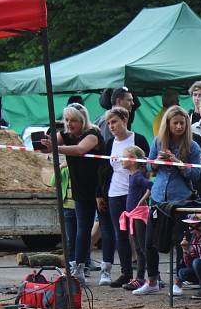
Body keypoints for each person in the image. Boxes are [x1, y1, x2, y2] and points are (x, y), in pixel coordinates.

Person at [132, 106, 201, 295]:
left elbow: (196, 174)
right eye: (175, 123)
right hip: (158, 197)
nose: (179, 126)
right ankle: (152, 280)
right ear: (168, 124)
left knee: (180, 242)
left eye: (182, 123)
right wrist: (157, 162)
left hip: (181, 199)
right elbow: (148, 166)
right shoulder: (158, 141)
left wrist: (179, 164)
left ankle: (178, 281)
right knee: (149, 241)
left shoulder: (193, 146)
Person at [40, 103, 103, 284]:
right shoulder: (65, 135)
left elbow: (80, 149)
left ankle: (109, 269)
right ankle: (79, 266)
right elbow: (47, 148)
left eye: (73, 120)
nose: (69, 124)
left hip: (101, 187)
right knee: (82, 230)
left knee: (108, 228)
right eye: (66, 120)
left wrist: (55, 147)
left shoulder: (93, 133)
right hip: (80, 189)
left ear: (82, 120)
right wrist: (44, 143)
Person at [97, 107, 150, 287]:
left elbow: (147, 166)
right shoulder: (110, 143)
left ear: (124, 120)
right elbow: (103, 170)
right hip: (114, 193)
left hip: (134, 193)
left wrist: (145, 193)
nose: (111, 126)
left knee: (137, 236)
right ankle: (125, 273)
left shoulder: (138, 139)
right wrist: (99, 193)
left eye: (114, 122)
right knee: (120, 234)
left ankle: (143, 275)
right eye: (109, 123)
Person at [119, 145, 153, 292]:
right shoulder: (133, 175)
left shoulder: (138, 176)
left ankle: (146, 277)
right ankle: (144, 276)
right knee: (138, 247)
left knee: (141, 248)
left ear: (132, 160)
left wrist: (143, 200)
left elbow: (152, 185)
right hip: (134, 215)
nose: (121, 160)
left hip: (139, 214)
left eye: (124, 156)